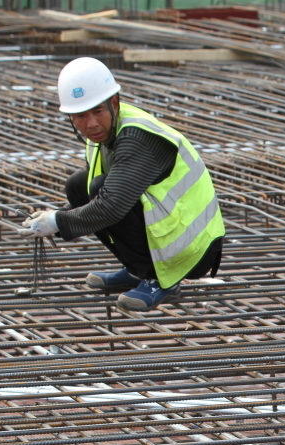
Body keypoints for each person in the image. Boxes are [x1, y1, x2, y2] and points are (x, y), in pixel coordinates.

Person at [18, 57, 224, 311]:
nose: (91, 123)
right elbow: (99, 197)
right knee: (78, 186)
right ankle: (139, 270)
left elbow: (111, 206)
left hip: (193, 248)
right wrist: (54, 218)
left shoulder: (136, 136)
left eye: (98, 111)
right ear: (70, 117)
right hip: (171, 233)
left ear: (114, 103)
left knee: (100, 192)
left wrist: (57, 222)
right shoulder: (101, 137)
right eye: (81, 115)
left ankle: (162, 280)